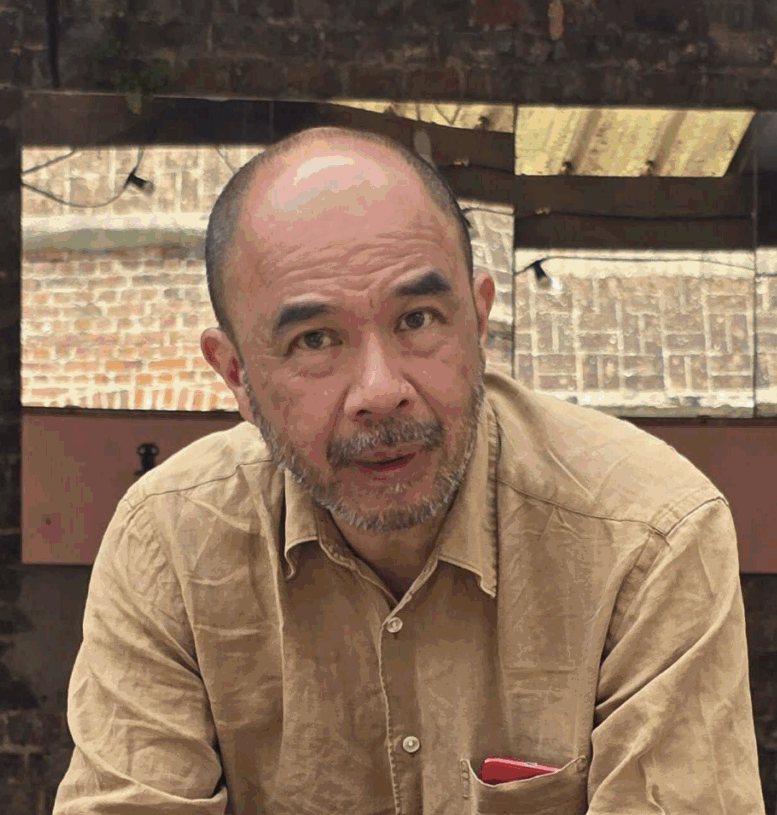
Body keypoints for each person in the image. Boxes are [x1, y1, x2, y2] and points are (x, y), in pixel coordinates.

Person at [53, 126, 765, 814]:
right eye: (315, 340)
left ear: (478, 322)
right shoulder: (170, 541)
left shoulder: (649, 535)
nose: (380, 390)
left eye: (418, 319)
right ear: (235, 373)